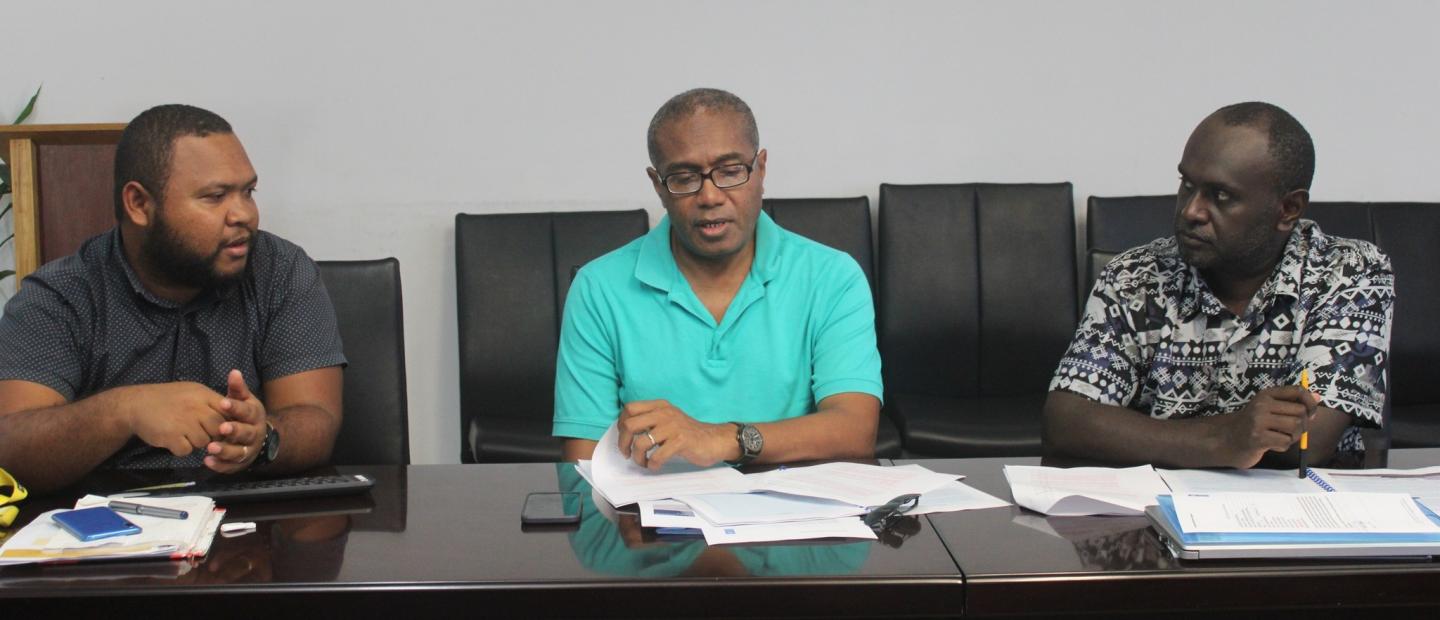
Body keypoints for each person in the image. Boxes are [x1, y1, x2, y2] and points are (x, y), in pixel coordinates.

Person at [0, 104, 346, 492]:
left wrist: (262, 438)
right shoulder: (62, 295)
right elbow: (11, 446)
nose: (244, 215)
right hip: (106, 524)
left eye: (247, 192)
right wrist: (123, 411)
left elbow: (317, 419)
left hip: (246, 520)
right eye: (215, 197)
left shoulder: (280, 271)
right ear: (139, 204)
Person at [1044, 102, 1393, 469]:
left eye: (1221, 195)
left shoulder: (1350, 274)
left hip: (1300, 514)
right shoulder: (1135, 276)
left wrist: (1147, 437)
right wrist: (1226, 437)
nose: (1191, 211)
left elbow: (1308, 443)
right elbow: (1067, 423)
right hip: (1152, 510)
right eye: (1187, 185)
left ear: (1288, 209)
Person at [553, 88, 883, 469]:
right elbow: (584, 465)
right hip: (652, 520)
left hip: (795, 520)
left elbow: (855, 432)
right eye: (684, 177)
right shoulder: (598, 289)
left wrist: (721, 438)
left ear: (761, 169)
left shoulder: (833, 277)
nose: (709, 196)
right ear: (658, 185)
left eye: (730, 171)